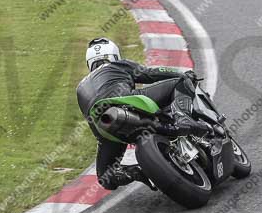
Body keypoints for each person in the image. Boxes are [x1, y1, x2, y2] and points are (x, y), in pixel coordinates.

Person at [77, 37, 210, 190]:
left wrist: (107, 142)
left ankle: (135, 172)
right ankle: (183, 118)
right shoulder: (117, 65)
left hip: (105, 126)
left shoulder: (80, 88)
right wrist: (182, 74)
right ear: (114, 55)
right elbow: (150, 73)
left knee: (106, 177)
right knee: (180, 83)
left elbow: (93, 125)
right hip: (127, 102)